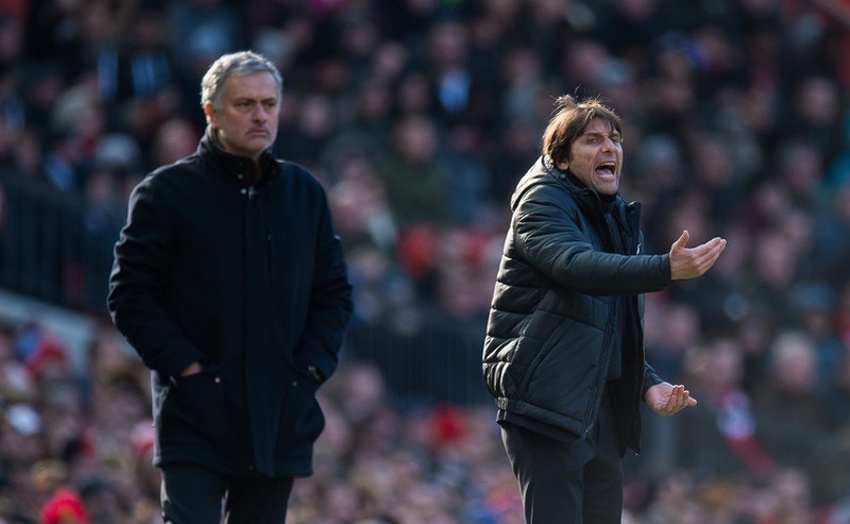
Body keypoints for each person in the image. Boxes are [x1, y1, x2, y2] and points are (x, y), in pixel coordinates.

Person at [106, 50, 353, 523]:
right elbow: (130, 294)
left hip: (280, 412)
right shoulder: (166, 193)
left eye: (269, 103)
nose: (260, 115)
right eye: (245, 104)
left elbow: (334, 294)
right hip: (196, 412)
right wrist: (188, 367)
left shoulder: (304, 194)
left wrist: (310, 371)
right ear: (211, 111)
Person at [481, 94, 727, 523]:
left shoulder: (613, 215)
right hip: (547, 401)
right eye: (592, 140)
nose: (609, 148)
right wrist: (664, 268)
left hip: (600, 406)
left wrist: (645, 382)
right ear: (560, 158)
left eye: (615, 139)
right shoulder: (541, 202)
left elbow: (613, 319)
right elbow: (575, 267)